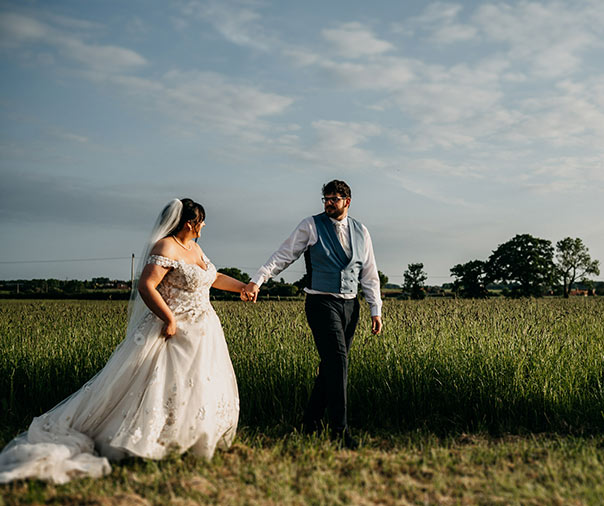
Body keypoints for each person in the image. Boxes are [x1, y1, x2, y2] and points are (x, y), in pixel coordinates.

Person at [0, 199, 248, 484]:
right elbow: (146, 285)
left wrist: (241, 287)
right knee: (162, 384)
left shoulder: (194, 247)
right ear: (190, 223)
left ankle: (189, 438)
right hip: (173, 329)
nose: (203, 226)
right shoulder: (165, 247)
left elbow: (211, 277)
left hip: (203, 331)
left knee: (197, 384)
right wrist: (168, 319)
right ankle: (148, 441)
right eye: (201, 221)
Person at [243, 180, 382, 449]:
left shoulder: (361, 230)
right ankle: (339, 432)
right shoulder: (310, 225)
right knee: (339, 361)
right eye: (326, 199)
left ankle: (310, 423)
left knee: (331, 366)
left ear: (347, 202)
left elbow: (369, 272)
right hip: (320, 303)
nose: (329, 203)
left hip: (351, 307)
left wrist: (375, 309)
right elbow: (283, 255)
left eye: (334, 199)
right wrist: (258, 280)